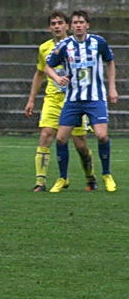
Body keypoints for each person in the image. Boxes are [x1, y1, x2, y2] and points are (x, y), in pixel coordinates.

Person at [46, 10, 118, 192]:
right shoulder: (64, 45)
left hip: (95, 98)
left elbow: (110, 62)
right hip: (73, 99)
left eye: (81, 22)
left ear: (87, 25)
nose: (78, 25)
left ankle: (106, 175)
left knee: (102, 135)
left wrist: (112, 88)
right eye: (75, 22)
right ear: (70, 26)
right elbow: (48, 66)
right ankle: (62, 178)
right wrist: (56, 77)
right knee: (61, 139)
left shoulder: (98, 42)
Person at [24, 11, 96, 192]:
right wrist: (31, 99)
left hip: (75, 100)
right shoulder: (44, 48)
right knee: (45, 135)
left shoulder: (78, 46)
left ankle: (90, 176)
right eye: (53, 23)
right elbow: (40, 73)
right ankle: (40, 182)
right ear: (50, 27)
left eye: (60, 23)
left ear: (67, 26)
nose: (57, 26)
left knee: (80, 143)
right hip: (53, 99)